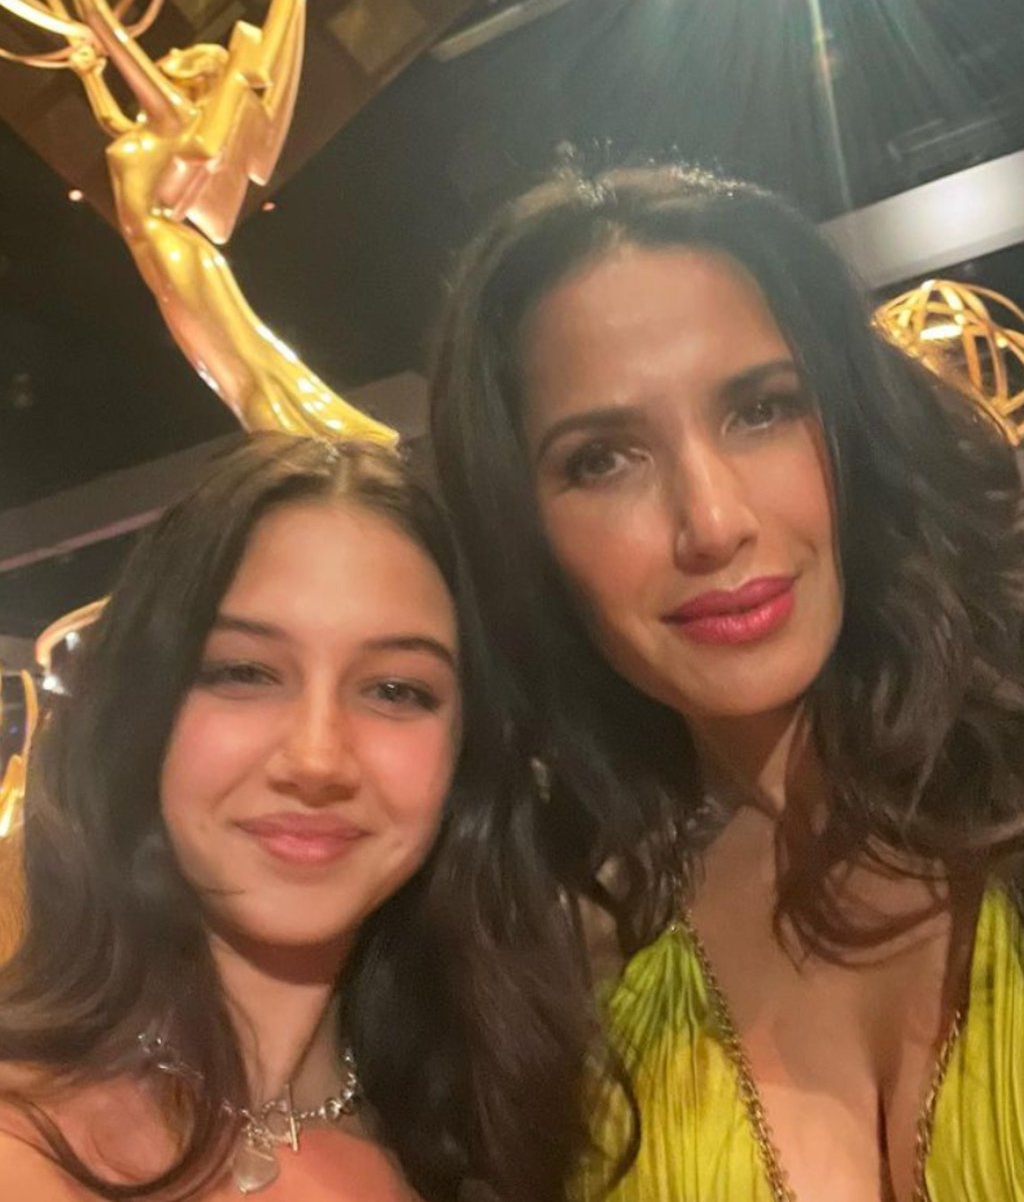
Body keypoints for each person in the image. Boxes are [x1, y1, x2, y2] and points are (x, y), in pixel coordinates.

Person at [430, 163, 1024, 1202]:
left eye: (761, 410)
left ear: (846, 422)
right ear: (523, 532)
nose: (712, 522)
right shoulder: (550, 957)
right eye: (602, 459)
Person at [0, 435, 588, 1201]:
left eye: (396, 690)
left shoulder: (499, 1146)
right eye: (244, 672)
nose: (317, 758)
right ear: (143, 709)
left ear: (464, 753)